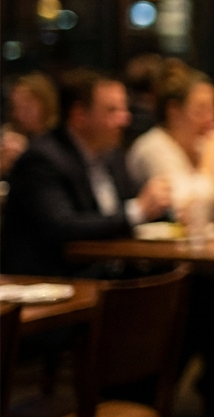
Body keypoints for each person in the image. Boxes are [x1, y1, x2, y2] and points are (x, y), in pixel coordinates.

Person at [1, 69, 172, 277]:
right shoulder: (42, 159)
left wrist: (162, 210)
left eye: (124, 109)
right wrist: (138, 211)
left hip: (109, 275)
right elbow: (63, 227)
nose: (125, 119)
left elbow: (128, 208)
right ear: (79, 115)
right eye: (112, 111)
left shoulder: (112, 156)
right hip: (58, 281)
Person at [127, 60, 214, 216]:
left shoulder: (202, 145)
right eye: (201, 109)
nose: (212, 117)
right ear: (174, 111)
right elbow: (186, 211)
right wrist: (209, 162)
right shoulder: (152, 148)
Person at [2, 72, 58, 177]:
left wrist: (27, 154)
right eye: (17, 107)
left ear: (46, 104)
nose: (20, 114)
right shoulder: (10, 134)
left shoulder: (59, 137)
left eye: (27, 107)